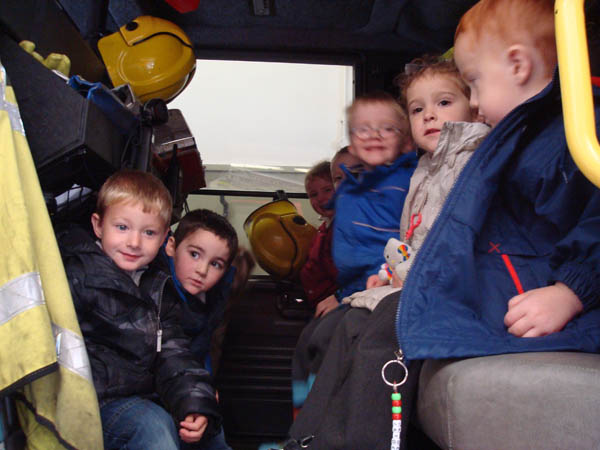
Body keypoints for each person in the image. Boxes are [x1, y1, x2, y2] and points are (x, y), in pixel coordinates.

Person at [287, 1, 600, 448]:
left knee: (390, 323)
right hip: (493, 289)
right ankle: (308, 437)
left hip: (527, 300)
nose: (474, 103)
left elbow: (592, 224)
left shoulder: (566, 139)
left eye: (473, 86)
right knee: (343, 326)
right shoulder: (517, 144)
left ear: (517, 65)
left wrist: (571, 291)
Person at [57, 170, 223, 450]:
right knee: (153, 427)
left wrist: (194, 401)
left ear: (162, 240)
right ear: (98, 226)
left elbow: (173, 352)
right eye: (122, 227)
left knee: (209, 431)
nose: (134, 242)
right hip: (92, 403)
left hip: (142, 396)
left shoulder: (158, 286)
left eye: (148, 232)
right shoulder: (76, 275)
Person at [345, 55, 490, 310]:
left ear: (475, 110)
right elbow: (412, 241)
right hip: (416, 281)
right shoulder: (424, 170)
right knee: (335, 325)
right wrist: (389, 274)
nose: (429, 116)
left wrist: (410, 275)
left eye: (444, 102)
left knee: (360, 330)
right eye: (417, 109)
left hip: (448, 293)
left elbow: (456, 245)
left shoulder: (475, 163)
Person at [162, 208, 239, 450]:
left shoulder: (211, 299)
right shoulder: (157, 290)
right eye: (194, 254)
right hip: (161, 391)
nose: (202, 270)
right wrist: (197, 394)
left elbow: (200, 352)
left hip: (186, 386)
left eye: (215, 264)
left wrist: (205, 389)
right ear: (172, 246)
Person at [332, 90, 417, 300]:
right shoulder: (348, 190)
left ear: (406, 142)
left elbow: (414, 240)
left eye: (387, 128)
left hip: (388, 282)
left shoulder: (408, 182)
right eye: (363, 129)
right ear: (352, 144)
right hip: (351, 285)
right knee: (317, 332)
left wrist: (388, 273)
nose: (374, 134)